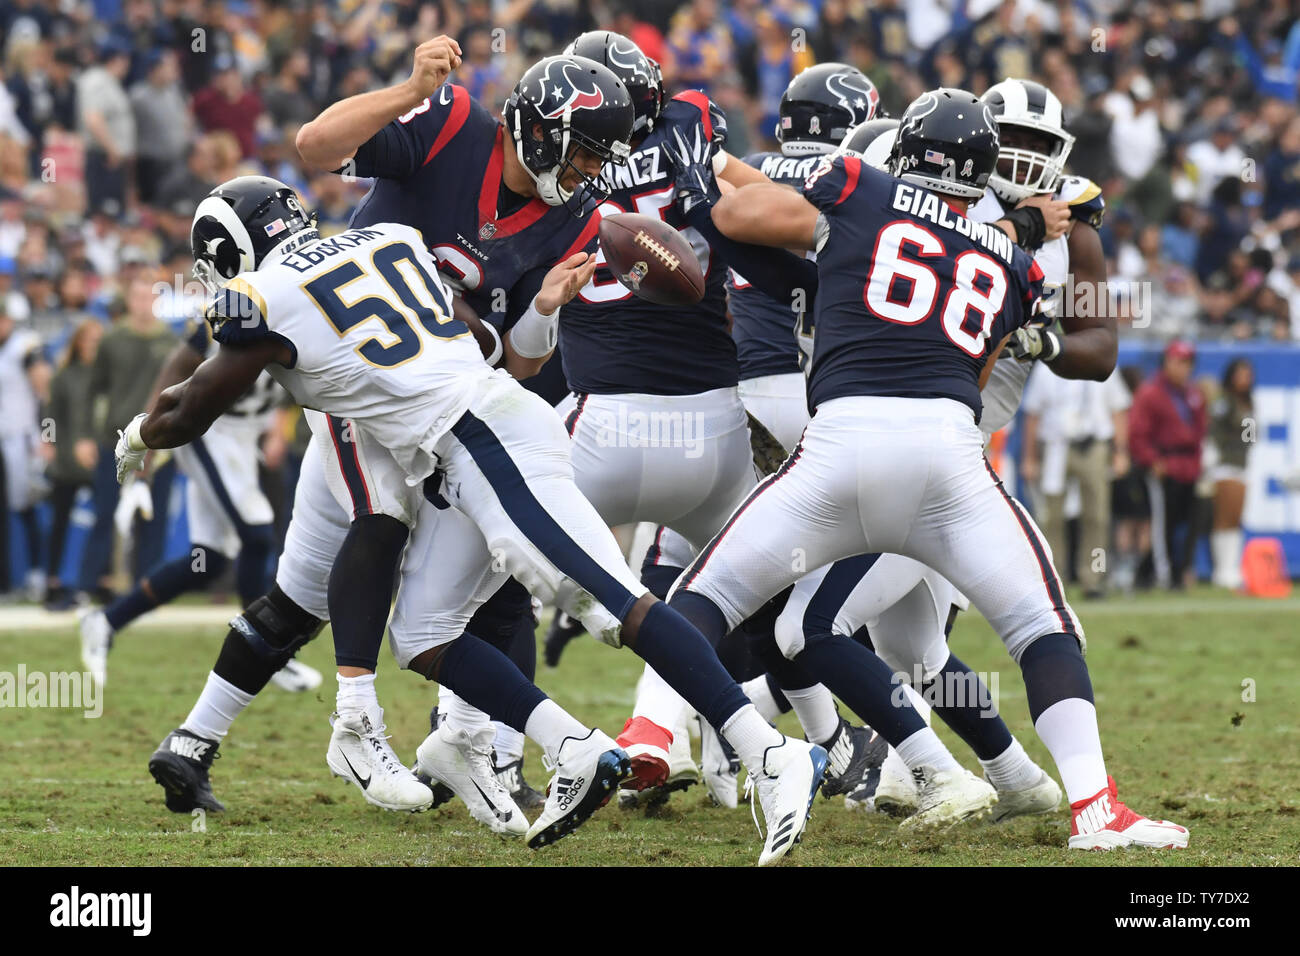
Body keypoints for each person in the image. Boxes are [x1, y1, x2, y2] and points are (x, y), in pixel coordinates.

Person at [120, 174, 827, 864]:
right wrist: (543, 309)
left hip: (484, 442)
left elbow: (193, 408)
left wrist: (136, 436)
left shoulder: (263, 295)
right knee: (423, 631)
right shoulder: (387, 240)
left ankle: (772, 752)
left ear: (230, 252)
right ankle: (570, 747)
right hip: (473, 437)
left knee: (618, 605)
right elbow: (490, 346)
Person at [666, 87, 1188, 850]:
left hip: (839, 448)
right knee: (1042, 626)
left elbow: (752, 217)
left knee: (701, 603)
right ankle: (1095, 807)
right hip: (950, 456)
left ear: (902, 152)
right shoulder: (1013, 260)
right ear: (979, 171)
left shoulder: (860, 185)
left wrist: (703, 177)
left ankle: (759, 748)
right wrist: (1051, 233)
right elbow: (1006, 332)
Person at [1020, 365, 1131, 599]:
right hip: (1055, 444)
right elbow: (1033, 414)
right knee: (1051, 517)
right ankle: (1052, 578)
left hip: (1094, 445)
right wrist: (1029, 457)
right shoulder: (1047, 365)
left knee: (1097, 517)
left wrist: (1120, 451)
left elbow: (1119, 408)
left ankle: (1094, 579)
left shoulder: (1103, 359)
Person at [1128, 340, 1208, 589]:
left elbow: (1199, 433)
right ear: (1167, 362)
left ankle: (1176, 573)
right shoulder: (1151, 393)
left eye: (1188, 363)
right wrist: (1153, 462)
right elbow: (1137, 434)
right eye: (1179, 362)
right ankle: (1157, 574)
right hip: (1163, 466)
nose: (1184, 368)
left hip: (1188, 467)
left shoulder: (1194, 394)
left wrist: (1197, 463)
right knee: (1162, 525)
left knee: (1185, 525)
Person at [43, 319, 102, 610]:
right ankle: (53, 580)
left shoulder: (107, 374)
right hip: (67, 459)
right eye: (87, 338)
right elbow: (50, 414)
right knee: (61, 522)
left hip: (102, 458)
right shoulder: (64, 375)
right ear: (77, 341)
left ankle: (100, 580)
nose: (92, 343)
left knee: (104, 521)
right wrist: (48, 443)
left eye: (96, 338)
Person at [0, 303, 48, 599]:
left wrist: (47, 434)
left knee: (27, 507)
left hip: (22, 438)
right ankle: (4, 583)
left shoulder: (24, 346)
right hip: (4, 439)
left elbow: (45, 390)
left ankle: (36, 575)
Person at [1208, 357, 1254, 589]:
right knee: (1224, 518)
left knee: (1236, 518)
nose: (1245, 379)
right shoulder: (1224, 401)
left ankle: (1232, 568)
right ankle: (1222, 570)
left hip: (1242, 465)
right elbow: (1213, 430)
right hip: (1224, 464)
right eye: (1241, 374)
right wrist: (1211, 457)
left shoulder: (1248, 402)